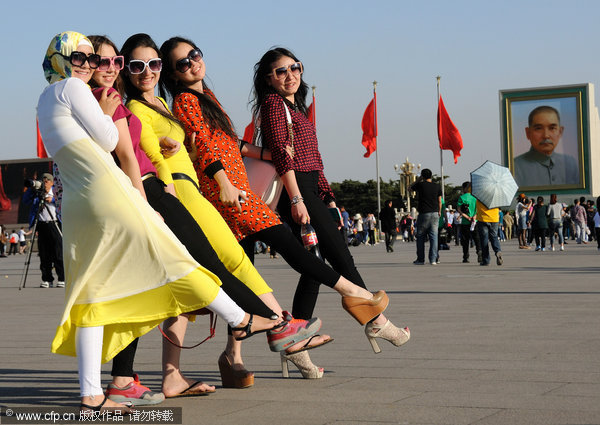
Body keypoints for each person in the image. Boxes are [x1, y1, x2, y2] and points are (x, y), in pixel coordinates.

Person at [37, 31, 286, 411]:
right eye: (80, 58)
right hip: (110, 195)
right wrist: (106, 112)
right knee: (176, 259)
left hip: (77, 205)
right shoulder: (74, 89)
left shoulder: (44, 98)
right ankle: (240, 318)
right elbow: (107, 139)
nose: (87, 66)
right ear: (62, 61)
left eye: (92, 59)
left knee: (92, 294)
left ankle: (92, 394)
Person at [89, 34, 320, 392]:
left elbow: (163, 149)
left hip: (181, 187)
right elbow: (134, 156)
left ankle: (160, 375)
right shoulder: (132, 106)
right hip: (171, 190)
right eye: (135, 65)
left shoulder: (160, 103)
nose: (145, 71)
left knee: (179, 283)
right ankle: (279, 323)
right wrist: (160, 192)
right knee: (223, 261)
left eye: (153, 64)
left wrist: (185, 153)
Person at [161, 40, 409, 358]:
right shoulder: (192, 100)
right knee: (300, 254)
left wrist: (327, 196)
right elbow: (216, 148)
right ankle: (355, 299)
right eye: (183, 62)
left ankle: (247, 352)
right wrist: (238, 184)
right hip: (233, 193)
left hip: (243, 190)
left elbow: (236, 144)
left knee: (247, 271)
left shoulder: (207, 97)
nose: (193, 63)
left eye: (195, 56)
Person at [514, 105, 578, 187]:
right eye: (538, 128)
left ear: (560, 132)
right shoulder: (515, 167)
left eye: (552, 128)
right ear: (528, 133)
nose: (546, 135)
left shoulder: (570, 163)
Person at [22, 173, 65, 288]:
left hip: (54, 224)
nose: (44, 183)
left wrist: (53, 200)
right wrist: (32, 189)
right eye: (43, 181)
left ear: (52, 182)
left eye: (46, 181)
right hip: (41, 225)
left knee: (58, 253)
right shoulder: (37, 195)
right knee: (44, 254)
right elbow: (25, 201)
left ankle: (62, 278)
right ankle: (47, 279)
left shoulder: (57, 193)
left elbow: (66, 203)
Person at [410, 168, 442, 265]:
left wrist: (418, 180)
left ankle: (420, 259)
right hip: (435, 213)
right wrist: (439, 211)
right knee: (434, 237)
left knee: (420, 236)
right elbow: (439, 200)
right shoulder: (437, 186)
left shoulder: (420, 185)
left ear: (422, 176)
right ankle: (433, 259)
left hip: (424, 213)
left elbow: (409, 188)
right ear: (431, 176)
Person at [456, 182, 481, 263]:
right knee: (477, 238)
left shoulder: (462, 197)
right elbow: (479, 209)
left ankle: (466, 256)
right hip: (475, 221)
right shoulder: (476, 197)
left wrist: (466, 216)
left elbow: (459, 209)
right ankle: (479, 252)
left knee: (465, 240)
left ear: (464, 188)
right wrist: (475, 216)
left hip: (465, 222)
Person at [475, 200, 502, 266]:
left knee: (484, 240)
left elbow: (469, 190)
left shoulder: (478, 193)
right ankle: (497, 251)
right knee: (494, 236)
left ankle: (486, 260)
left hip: (483, 218)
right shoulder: (496, 195)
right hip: (494, 218)